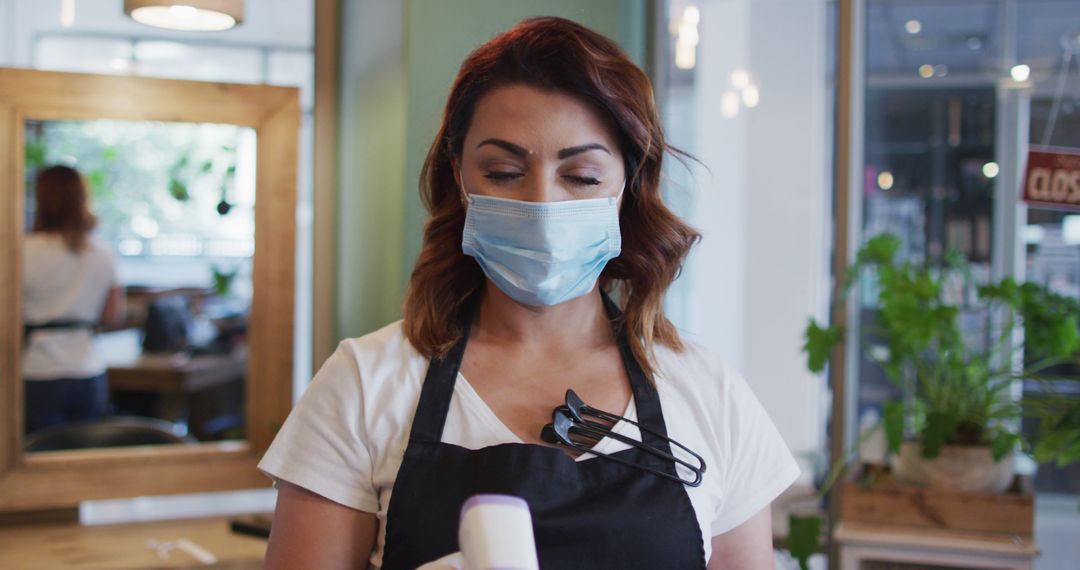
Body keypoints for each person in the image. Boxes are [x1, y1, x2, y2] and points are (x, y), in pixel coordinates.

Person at [260, 17, 799, 569]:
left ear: (626, 188)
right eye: (503, 170)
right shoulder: (363, 386)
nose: (542, 205)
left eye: (582, 177)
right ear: (460, 177)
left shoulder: (711, 396)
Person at [23, 165, 125, 435]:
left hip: (37, 369)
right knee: (83, 460)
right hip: (88, 370)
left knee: (38, 462)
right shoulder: (102, 253)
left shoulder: (23, 251)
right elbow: (113, 314)